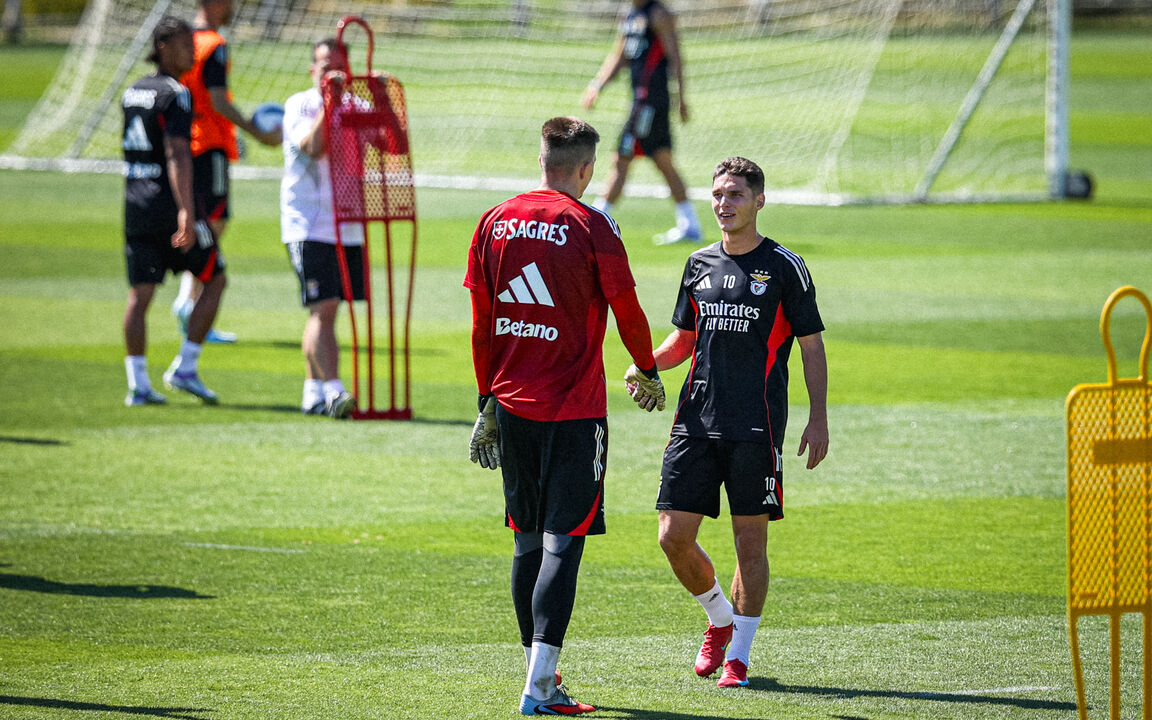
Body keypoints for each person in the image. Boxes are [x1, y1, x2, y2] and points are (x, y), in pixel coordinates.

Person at [465, 116, 666, 716]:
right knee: (563, 543)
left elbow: (481, 322)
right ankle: (539, 687)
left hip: (510, 406)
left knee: (526, 540)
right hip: (574, 410)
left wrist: (486, 400)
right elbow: (626, 307)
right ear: (585, 169)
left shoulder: (494, 220)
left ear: (541, 159)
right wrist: (647, 368)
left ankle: (539, 676)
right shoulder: (593, 223)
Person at [634, 156, 829, 688]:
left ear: (759, 201)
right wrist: (645, 364)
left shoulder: (785, 267)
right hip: (694, 422)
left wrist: (819, 418)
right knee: (672, 537)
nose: (724, 204)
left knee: (751, 545)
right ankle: (720, 620)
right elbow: (685, 340)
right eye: (718, 195)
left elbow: (811, 346)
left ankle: (739, 657)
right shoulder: (697, 263)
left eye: (736, 196)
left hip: (756, 427)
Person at [121, 16, 225, 406]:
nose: (192, 52)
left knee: (139, 296)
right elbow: (178, 152)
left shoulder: (133, 91)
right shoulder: (177, 93)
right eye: (184, 45)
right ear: (163, 47)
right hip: (170, 207)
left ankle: (138, 385)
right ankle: (186, 366)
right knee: (216, 277)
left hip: (135, 204)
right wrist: (186, 211)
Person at [171, 0, 282, 343]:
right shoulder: (214, 45)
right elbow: (218, 100)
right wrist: (255, 131)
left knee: (205, 222)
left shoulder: (183, 40)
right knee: (214, 223)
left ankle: (190, 301)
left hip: (184, 140)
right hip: (209, 144)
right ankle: (191, 303)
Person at [279, 38, 358, 419]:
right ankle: (333, 389)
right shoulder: (300, 104)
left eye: (339, 66)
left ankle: (312, 392)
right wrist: (330, 102)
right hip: (307, 221)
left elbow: (388, 146)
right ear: (313, 70)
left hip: (346, 223)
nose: (333, 73)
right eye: (326, 66)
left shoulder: (357, 104)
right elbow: (312, 147)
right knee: (323, 307)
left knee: (327, 310)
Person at [581, 0, 702, 245]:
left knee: (621, 159)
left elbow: (675, 56)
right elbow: (620, 55)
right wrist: (597, 86)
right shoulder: (628, 14)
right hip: (641, 101)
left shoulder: (659, 14)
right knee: (663, 160)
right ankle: (690, 225)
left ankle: (595, 223)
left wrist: (682, 99)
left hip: (651, 102)